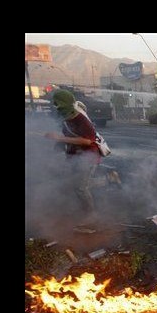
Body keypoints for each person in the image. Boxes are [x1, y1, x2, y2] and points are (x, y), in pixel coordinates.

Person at [43, 89, 119, 218]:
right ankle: (109, 179)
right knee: (77, 184)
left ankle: (91, 216)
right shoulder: (67, 119)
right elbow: (66, 135)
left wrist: (60, 139)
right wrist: (58, 146)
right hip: (75, 156)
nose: (57, 109)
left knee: (80, 188)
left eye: (58, 105)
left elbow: (87, 141)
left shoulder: (82, 120)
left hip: (89, 156)